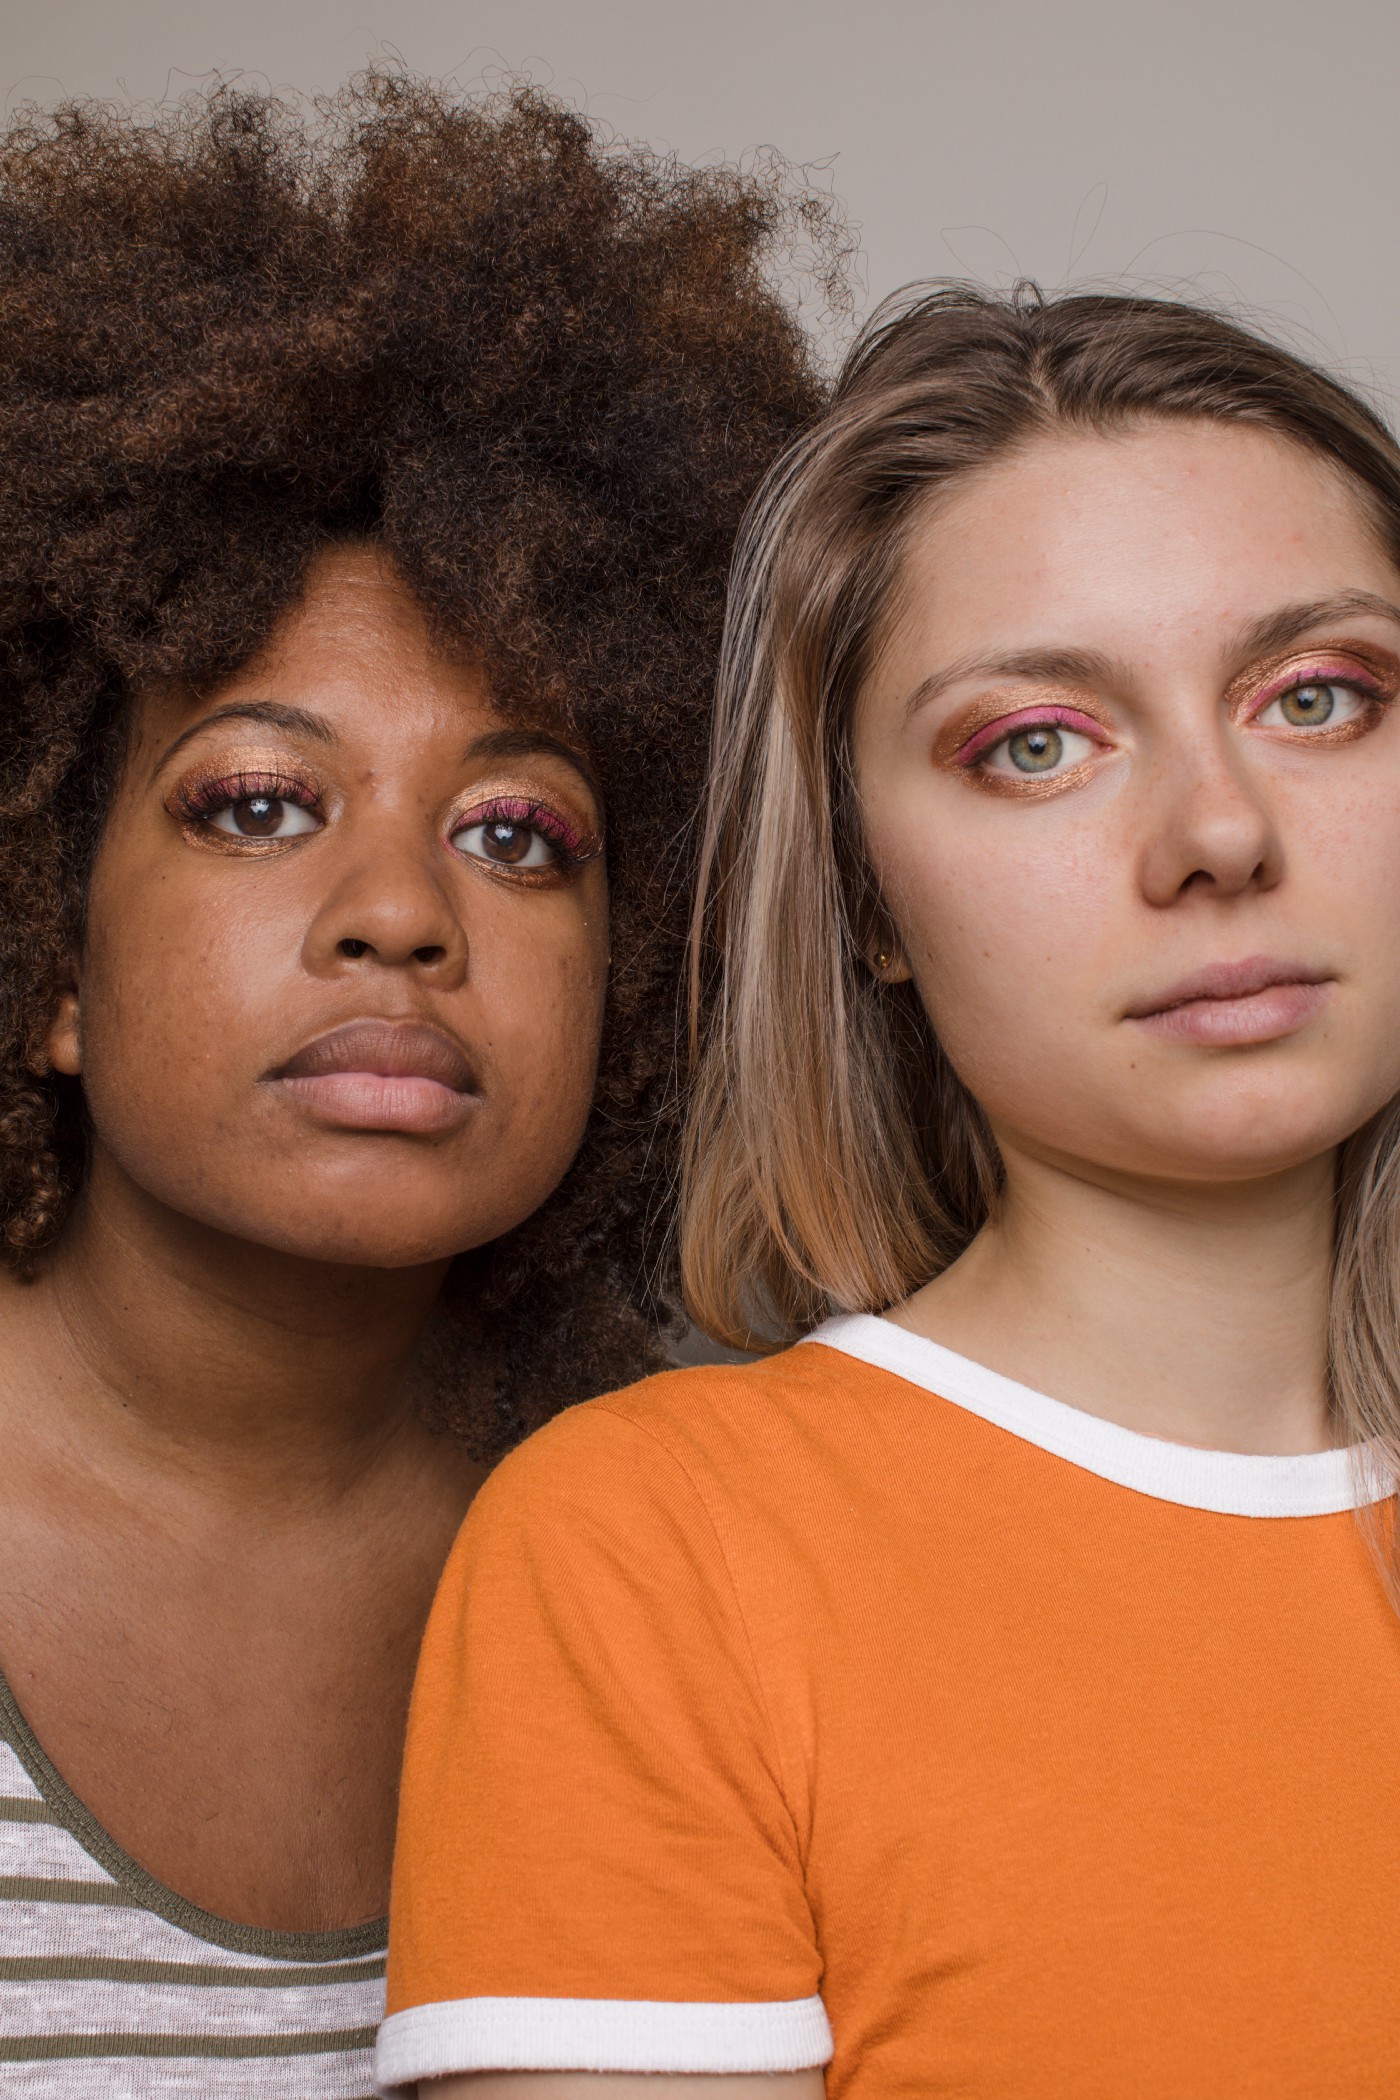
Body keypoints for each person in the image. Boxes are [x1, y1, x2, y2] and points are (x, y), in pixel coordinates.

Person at [383, 285, 1400, 2097]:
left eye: (1319, 697)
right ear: (862, 901)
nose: (1223, 834)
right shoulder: (657, 1559)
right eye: (1034, 744)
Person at [0, 74, 823, 2094]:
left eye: (519, 836)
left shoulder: (715, 1561)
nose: (401, 916)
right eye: (262, 803)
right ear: (50, 959)